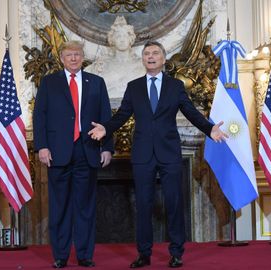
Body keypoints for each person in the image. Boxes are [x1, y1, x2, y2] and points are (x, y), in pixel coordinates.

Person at [88, 41, 228, 268]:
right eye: (146, 54)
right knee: (143, 204)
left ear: (163, 59)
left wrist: (209, 128)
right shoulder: (134, 87)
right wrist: (106, 128)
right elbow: (122, 114)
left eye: (155, 53)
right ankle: (144, 254)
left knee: (173, 202)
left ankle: (176, 252)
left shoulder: (175, 86)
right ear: (143, 59)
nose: (150, 57)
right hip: (143, 154)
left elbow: (190, 112)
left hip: (169, 152)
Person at [33, 40, 113, 268]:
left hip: (87, 151)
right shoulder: (49, 83)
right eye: (69, 55)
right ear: (62, 58)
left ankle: (85, 255)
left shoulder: (97, 83)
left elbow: (106, 117)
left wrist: (107, 147)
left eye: (77, 54)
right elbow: (40, 116)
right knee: (59, 207)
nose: (74, 58)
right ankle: (60, 256)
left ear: (82, 57)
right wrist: (42, 146)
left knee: (85, 207)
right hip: (57, 152)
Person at [85, 16, 145, 100]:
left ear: (130, 39)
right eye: (118, 36)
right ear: (112, 40)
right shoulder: (100, 66)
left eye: (125, 36)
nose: (122, 40)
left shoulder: (142, 65)